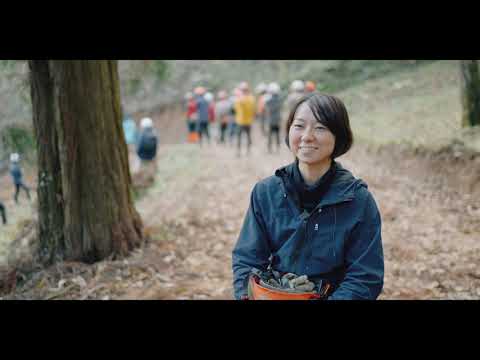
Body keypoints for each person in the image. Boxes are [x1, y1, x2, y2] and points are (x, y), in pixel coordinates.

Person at [232, 92, 384, 300]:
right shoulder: (266, 192)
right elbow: (247, 259)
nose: (306, 136)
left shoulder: (358, 200)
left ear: (338, 135)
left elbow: (365, 276)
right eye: (299, 126)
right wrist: (247, 295)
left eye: (320, 127)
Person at [234, 82, 256, 156]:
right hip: (244, 121)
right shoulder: (251, 98)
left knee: (242, 137)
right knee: (245, 137)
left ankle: (242, 151)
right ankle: (242, 151)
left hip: (243, 121)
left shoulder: (241, 98)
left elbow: (236, 108)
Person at [264, 82, 283, 154]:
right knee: (277, 135)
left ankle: (270, 149)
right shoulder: (279, 100)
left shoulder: (268, 100)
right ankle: (278, 148)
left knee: (270, 135)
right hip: (277, 120)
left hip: (270, 120)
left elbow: (266, 109)